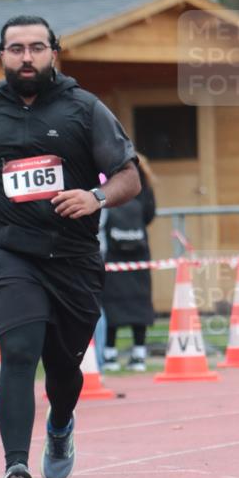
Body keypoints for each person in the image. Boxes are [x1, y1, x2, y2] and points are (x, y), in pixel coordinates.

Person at [0, 15, 139, 478]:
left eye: (36, 47)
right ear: (2, 55)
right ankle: (15, 468)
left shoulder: (84, 108)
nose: (26, 57)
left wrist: (95, 196)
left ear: (55, 52)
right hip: (9, 252)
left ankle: (60, 425)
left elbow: (128, 176)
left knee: (64, 370)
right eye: (16, 49)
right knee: (18, 351)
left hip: (73, 257)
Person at [102, 154, 156, 372]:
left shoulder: (110, 184)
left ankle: (109, 354)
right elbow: (150, 215)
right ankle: (139, 354)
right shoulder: (145, 188)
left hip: (113, 255)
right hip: (139, 255)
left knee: (110, 302)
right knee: (139, 303)